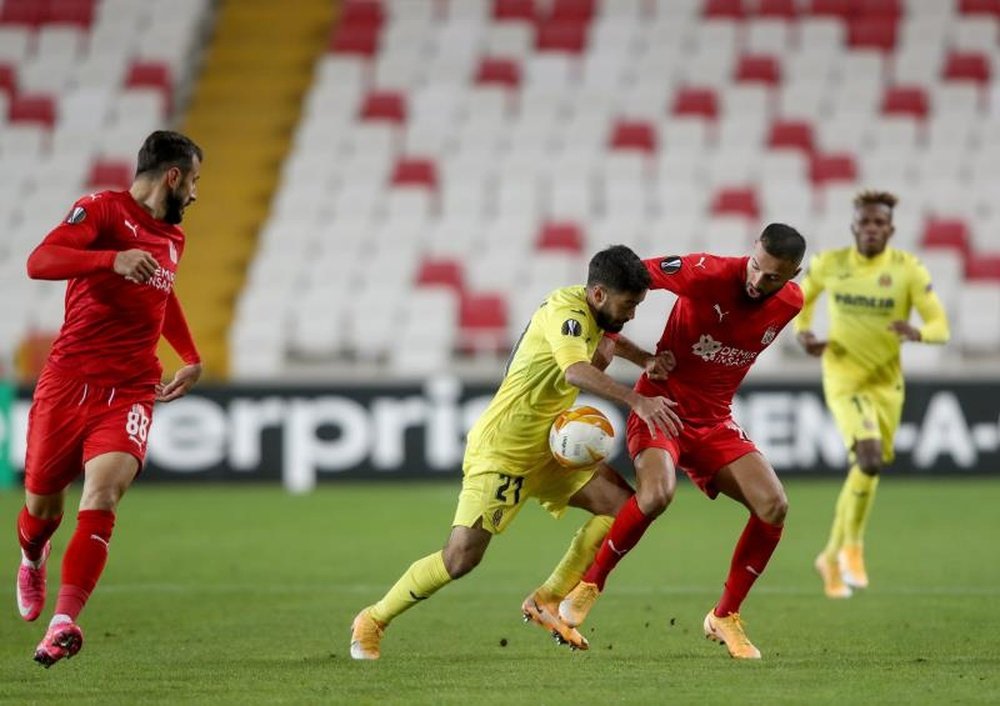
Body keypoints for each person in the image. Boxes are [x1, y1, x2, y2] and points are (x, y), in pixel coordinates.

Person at [349, 245, 683, 660]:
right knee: (460, 559)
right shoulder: (568, 315)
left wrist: (645, 358)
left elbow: (609, 337)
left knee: (624, 509)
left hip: (550, 449)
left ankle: (548, 598)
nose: (632, 312)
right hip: (503, 453)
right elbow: (575, 370)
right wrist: (637, 399)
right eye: (629, 304)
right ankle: (373, 619)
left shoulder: (594, 314)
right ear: (598, 294)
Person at [557, 224, 807, 660]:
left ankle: (724, 616)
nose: (757, 281)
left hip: (714, 422)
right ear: (751, 251)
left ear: (793, 274)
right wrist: (610, 338)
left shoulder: (790, 304)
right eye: (755, 268)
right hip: (660, 407)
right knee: (657, 494)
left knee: (775, 505)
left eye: (771, 277)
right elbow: (625, 279)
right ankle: (591, 583)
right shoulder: (705, 272)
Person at [15, 130, 204, 667]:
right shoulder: (99, 210)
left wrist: (189, 354)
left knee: (102, 496)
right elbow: (39, 261)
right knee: (42, 506)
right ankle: (31, 556)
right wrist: (108, 261)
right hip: (68, 382)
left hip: (131, 389)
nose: (193, 194)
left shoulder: (173, 238)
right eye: (192, 181)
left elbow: (161, 294)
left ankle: (63, 622)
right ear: (172, 175)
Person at [794, 191, 950, 599]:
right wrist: (803, 334)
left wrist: (918, 332)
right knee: (868, 457)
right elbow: (799, 302)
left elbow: (941, 327)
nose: (871, 229)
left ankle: (829, 556)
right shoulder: (831, 264)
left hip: (887, 383)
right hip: (844, 376)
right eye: (865, 222)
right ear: (854, 227)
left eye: (879, 223)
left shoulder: (907, 270)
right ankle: (852, 548)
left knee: (868, 466)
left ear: (891, 229)